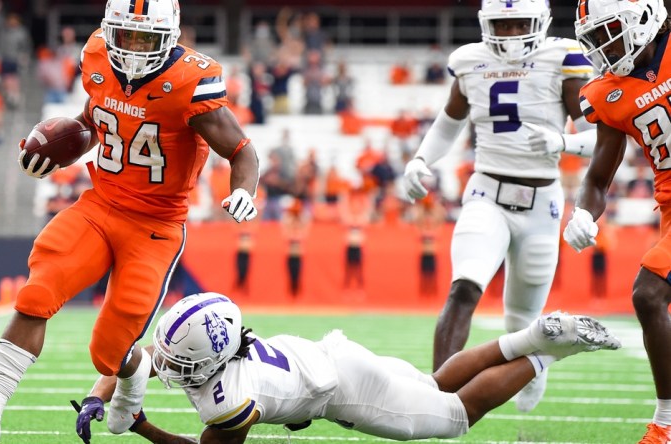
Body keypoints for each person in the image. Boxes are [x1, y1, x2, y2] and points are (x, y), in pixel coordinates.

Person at [0, 0, 260, 442]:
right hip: (100, 205)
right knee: (37, 292)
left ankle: (135, 370)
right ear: (109, 30)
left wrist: (242, 189)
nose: (133, 48)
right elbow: (95, 121)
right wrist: (62, 144)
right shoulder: (97, 55)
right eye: (125, 35)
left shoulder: (191, 81)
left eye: (146, 38)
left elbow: (241, 149)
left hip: (155, 226)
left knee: (108, 351)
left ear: (169, 38)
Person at [72, 292, 621, 444]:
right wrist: (105, 395)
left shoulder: (232, 397)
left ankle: (549, 348)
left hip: (346, 391)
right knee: (432, 385)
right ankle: (531, 338)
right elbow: (130, 358)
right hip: (336, 354)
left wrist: (141, 425)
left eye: (177, 358)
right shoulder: (223, 351)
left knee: (457, 416)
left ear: (208, 358)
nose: (166, 365)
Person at [401, 0, 598, 412]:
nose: (509, 34)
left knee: (521, 319)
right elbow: (449, 121)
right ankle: (439, 396)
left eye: (517, 24)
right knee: (464, 288)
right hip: (485, 192)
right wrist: (420, 159)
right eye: (501, 24)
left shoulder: (561, 59)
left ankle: (528, 375)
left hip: (542, 200)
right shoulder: (469, 60)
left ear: (539, 22)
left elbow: (600, 137)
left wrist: (563, 141)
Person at [565, 0, 671, 441]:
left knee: (648, 293)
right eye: (594, 37)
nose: (603, 46)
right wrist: (582, 212)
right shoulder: (607, 94)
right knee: (649, 295)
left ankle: (665, 425)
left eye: (609, 31)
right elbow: (597, 179)